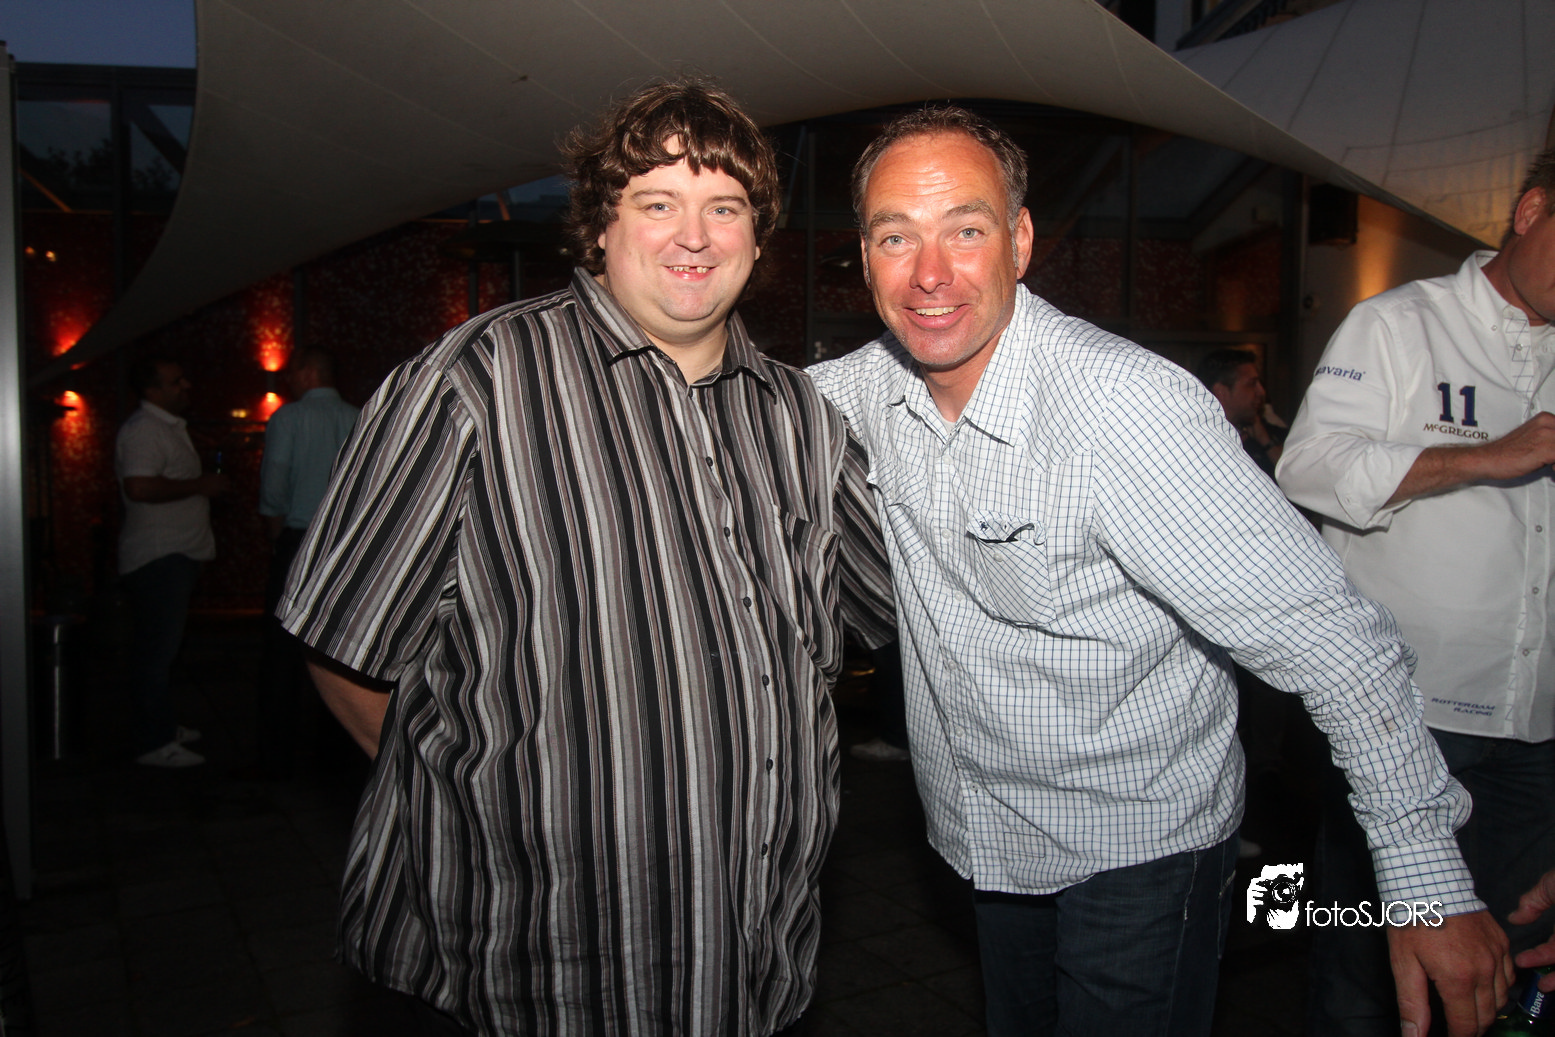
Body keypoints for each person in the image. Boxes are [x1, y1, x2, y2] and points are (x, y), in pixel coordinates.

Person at [807, 106, 1512, 1037]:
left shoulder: (1123, 410)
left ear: (1020, 242)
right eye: (895, 236)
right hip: (986, 836)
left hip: (1137, 848)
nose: (928, 273)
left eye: (965, 230)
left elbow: (1335, 642)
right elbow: (725, 407)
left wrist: (1426, 881)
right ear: (864, 259)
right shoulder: (862, 390)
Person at [277, 78, 894, 1037]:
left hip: (745, 959)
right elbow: (341, 649)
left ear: (757, 238)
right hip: (523, 965)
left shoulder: (801, 417)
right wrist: (489, 811)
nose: (694, 236)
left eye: (724, 206)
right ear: (601, 227)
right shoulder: (475, 381)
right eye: (657, 202)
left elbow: (898, 604)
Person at [1278, 147, 1555, 1036]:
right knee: (1368, 976)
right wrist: (1487, 456)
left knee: (1509, 967)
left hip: (1538, 724)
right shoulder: (1399, 322)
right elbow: (1308, 468)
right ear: (1530, 212)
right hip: (1408, 716)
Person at [115, 357, 230, 767]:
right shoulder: (144, 429)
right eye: (175, 381)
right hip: (159, 556)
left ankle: (160, 724)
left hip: (174, 554)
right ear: (152, 390)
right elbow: (139, 487)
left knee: (162, 650)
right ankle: (153, 742)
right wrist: (201, 485)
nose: (186, 385)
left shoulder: (164, 427)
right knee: (155, 653)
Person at [252, 347, 359, 778]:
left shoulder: (289, 418)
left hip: (299, 538)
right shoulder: (361, 415)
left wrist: (274, 527)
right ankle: (333, 758)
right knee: (337, 647)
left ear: (308, 372)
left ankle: (277, 757)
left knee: (282, 650)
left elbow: (275, 475)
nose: (288, 381)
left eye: (292, 373)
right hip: (345, 546)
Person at [1194, 348, 1285, 477]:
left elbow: (1296, 476)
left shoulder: (1272, 435)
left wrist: (1266, 441)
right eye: (1252, 384)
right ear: (1221, 392)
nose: (1261, 392)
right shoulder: (1198, 439)